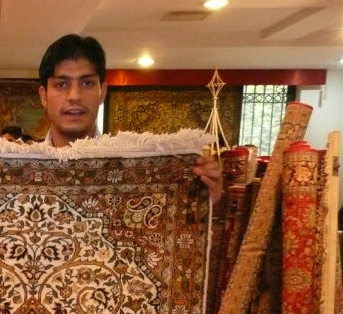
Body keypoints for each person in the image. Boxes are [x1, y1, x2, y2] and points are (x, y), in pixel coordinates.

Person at [38, 34, 223, 202]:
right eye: (61, 84)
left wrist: (204, 204)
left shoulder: (144, 170)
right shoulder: (23, 169)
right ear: (44, 96)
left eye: (87, 83)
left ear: (102, 92)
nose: (74, 96)